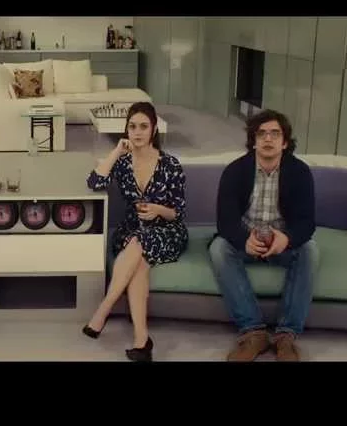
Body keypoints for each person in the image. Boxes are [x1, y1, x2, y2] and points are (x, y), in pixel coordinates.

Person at [208, 109, 319, 362]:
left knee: (310, 250)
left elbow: (307, 222)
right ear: (254, 141)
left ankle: (286, 336)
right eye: (262, 134)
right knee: (219, 249)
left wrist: (287, 238)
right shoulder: (235, 171)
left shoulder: (300, 172)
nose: (268, 139)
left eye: (275, 134)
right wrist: (243, 239)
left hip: (282, 241)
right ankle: (253, 332)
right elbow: (225, 220)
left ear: (285, 142)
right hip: (246, 239)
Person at [84, 102, 189, 362]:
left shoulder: (170, 164)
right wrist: (116, 151)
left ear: (154, 130)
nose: (138, 132)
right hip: (132, 229)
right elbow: (94, 182)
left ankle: (103, 311)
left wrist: (157, 210)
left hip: (167, 230)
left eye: (143, 126)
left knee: (139, 242)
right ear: (126, 130)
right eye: (132, 127)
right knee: (139, 261)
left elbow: (178, 213)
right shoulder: (122, 163)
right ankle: (142, 340)